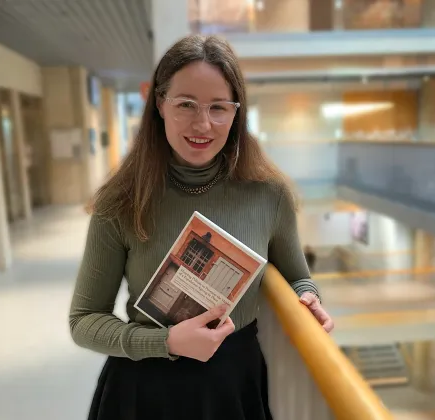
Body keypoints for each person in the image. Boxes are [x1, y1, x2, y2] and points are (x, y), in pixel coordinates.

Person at [69, 34, 334, 420]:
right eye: (186, 104)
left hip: (233, 385)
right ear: (160, 104)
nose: (203, 123)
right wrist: (166, 341)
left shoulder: (269, 194)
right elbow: (84, 320)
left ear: (236, 112)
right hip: (145, 387)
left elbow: (298, 278)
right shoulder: (121, 200)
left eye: (218, 107)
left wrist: (310, 299)